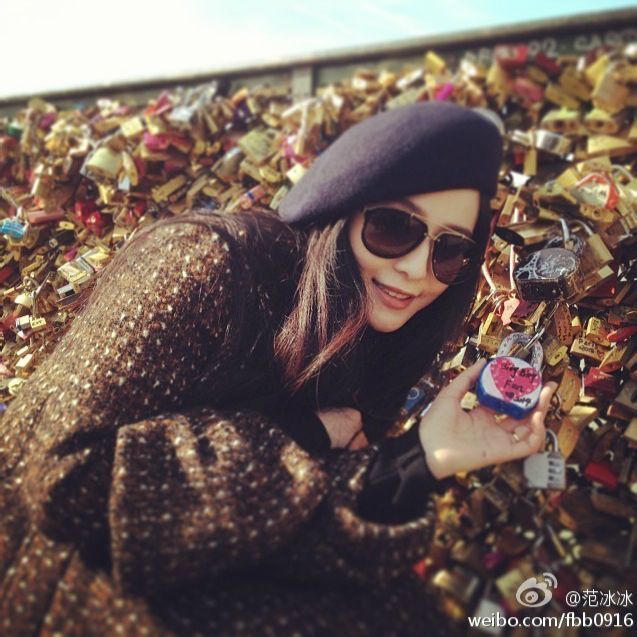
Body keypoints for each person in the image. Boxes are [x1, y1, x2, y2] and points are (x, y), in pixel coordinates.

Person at [0, 101, 557, 636]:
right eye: (394, 227)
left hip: (194, 564)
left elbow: (300, 512)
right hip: (44, 573)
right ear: (343, 208)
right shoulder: (204, 261)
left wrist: (419, 458)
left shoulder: (382, 335)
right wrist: (302, 433)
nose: (415, 269)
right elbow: (66, 482)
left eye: (449, 250)